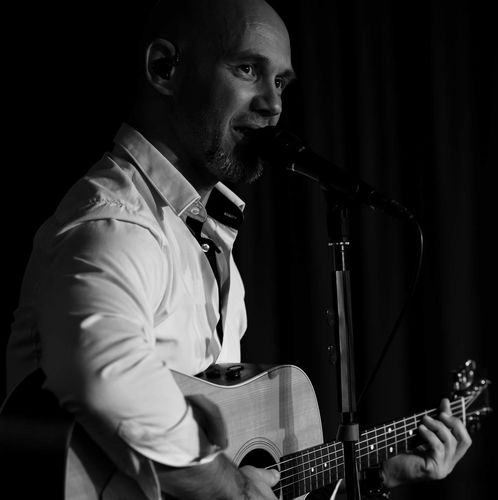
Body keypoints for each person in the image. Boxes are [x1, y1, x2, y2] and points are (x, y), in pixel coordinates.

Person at [5, 0, 472, 499]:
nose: (273, 105)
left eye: (281, 83)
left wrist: (375, 474)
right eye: (248, 69)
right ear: (163, 68)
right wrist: (233, 489)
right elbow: (105, 379)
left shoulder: (204, 237)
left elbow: (248, 480)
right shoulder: (117, 224)